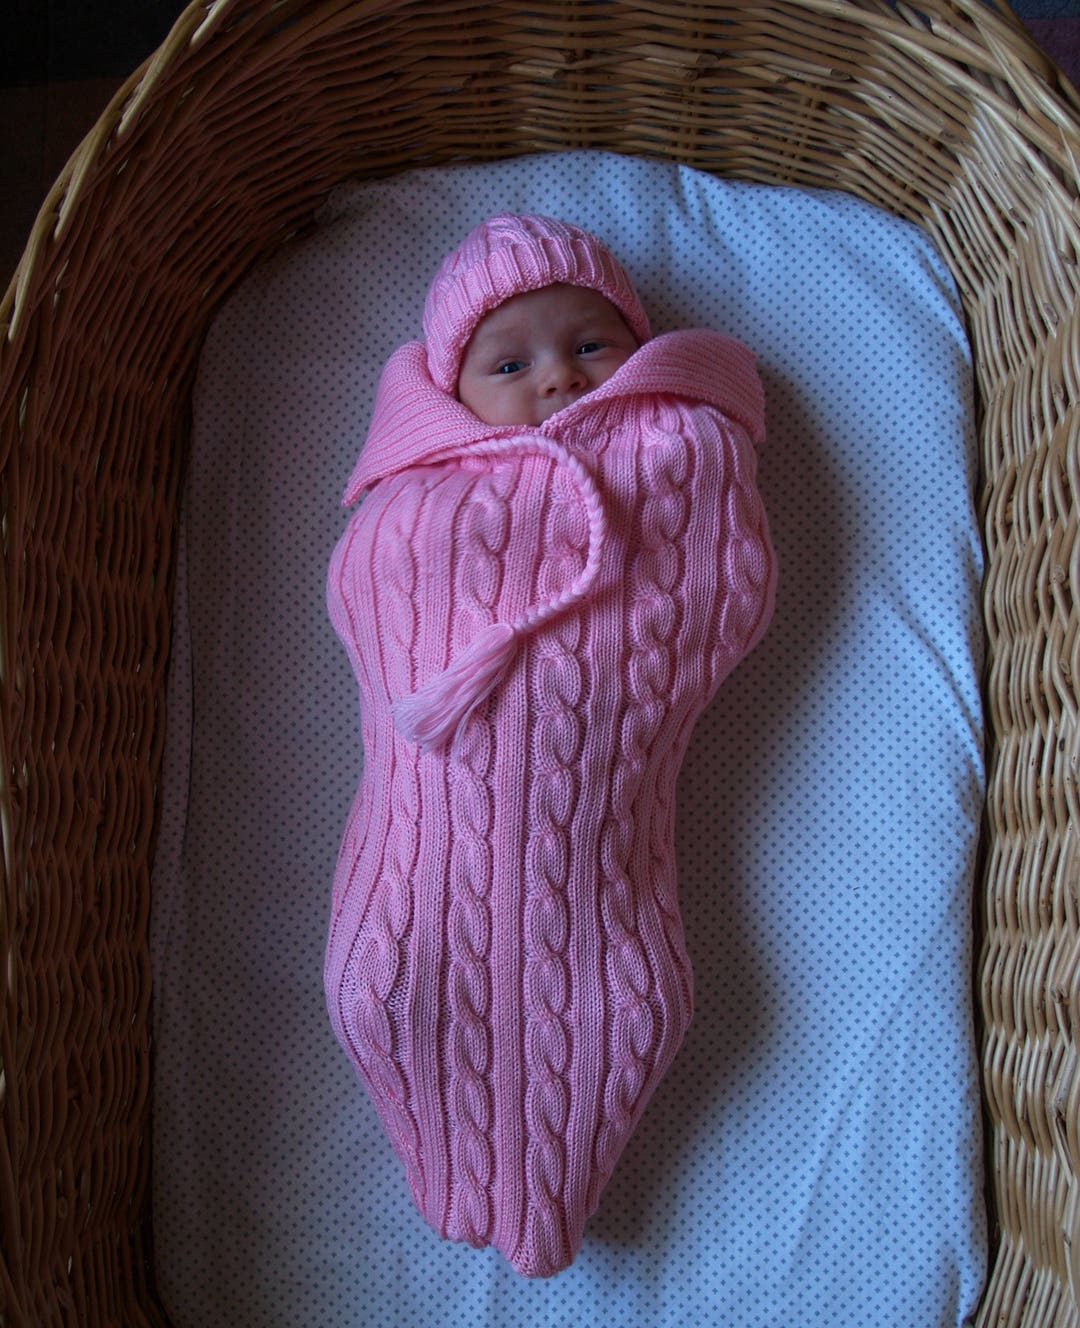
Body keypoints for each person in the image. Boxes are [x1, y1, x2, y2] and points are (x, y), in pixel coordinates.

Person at [324, 213, 776, 1277]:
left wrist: (689, 447)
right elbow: (371, 587)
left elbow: (723, 584)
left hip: (592, 833)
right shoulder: (416, 497)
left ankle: (551, 1193)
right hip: (425, 834)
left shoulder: (670, 450)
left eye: (590, 345)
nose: (558, 381)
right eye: (511, 361)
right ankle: (450, 1170)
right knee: (376, 987)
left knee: (631, 1000)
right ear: (448, 389)